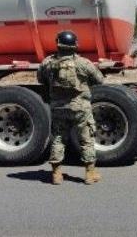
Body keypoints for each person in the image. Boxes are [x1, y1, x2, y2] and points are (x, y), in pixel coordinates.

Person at [37, 30, 104, 185]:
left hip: (58, 108)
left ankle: (56, 174)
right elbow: (99, 80)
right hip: (80, 108)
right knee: (86, 139)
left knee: (59, 139)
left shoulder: (48, 62)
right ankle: (89, 174)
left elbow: (40, 79)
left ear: (58, 44)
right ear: (75, 45)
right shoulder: (83, 63)